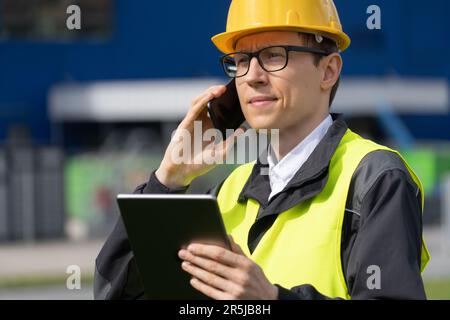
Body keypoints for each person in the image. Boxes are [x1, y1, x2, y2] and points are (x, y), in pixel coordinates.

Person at [94, 0, 430, 300]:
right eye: (240, 60)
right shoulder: (228, 192)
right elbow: (115, 293)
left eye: (273, 55)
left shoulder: (375, 179)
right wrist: (167, 181)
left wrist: (270, 300)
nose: (251, 76)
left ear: (328, 71)